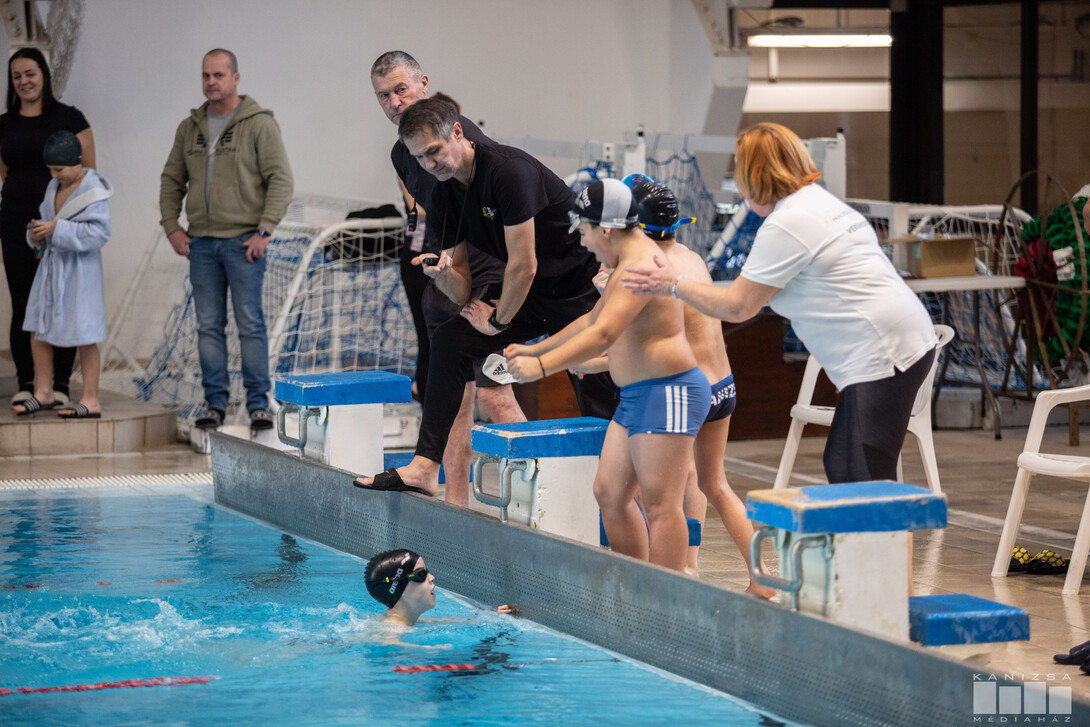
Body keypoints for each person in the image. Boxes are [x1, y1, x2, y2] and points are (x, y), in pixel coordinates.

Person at [622, 122, 938, 485]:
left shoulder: (788, 223)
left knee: (857, 470)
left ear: (754, 175)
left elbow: (739, 307)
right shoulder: (817, 201)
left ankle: (885, 524)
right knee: (848, 463)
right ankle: (876, 521)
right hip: (903, 341)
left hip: (884, 352)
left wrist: (673, 283)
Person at [355, 98, 615, 496]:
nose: (429, 164)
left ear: (458, 133)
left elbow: (524, 265)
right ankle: (425, 467)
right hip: (530, 294)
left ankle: (625, 490)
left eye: (434, 151)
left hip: (577, 289)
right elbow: (461, 286)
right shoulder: (443, 194)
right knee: (451, 340)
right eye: (419, 158)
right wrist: (443, 276)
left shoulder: (507, 171)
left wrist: (497, 321)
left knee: (596, 390)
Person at [505, 179, 709, 572]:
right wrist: (536, 349)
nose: (582, 242)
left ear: (607, 230)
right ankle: (636, 580)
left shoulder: (640, 265)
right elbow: (591, 319)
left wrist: (543, 367)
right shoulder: (626, 260)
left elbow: (603, 334)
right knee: (610, 493)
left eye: (583, 232)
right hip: (637, 394)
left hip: (668, 392)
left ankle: (664, 592)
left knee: (661, 505)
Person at [369, 51, 525, 506]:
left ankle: (548, 494)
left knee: (495, 399)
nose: (394, 102)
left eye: (401, 89)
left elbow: (492, 216)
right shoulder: (401, 152)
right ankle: (455, 504)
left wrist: (496, 295)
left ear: (423, 84)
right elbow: (431, 216)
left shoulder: (462, 134)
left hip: (488, 276)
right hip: (448, 274)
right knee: (454, 401)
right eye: (384, 95)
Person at [629, 180, 774, 596]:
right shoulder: (691, 258)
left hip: (688, 392)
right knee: (714, 483)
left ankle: (671, 575)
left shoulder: (649, 267)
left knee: (653, 492)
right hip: (723, 387)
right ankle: (760, 576)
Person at [159, 49, 293, 431]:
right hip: (201, 244)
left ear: (235, 78)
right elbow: (171, 179)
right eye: (206, 75)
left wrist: (264, 230)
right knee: (208, 327)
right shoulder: (189, 128)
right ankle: (214, 404)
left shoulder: (259, 124)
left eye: (219, 75)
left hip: (243, 243)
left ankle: (258, 405)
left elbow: (281, 180)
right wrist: (171, 225)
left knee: (250, 324)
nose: (211, 82)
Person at [0, 48, 94, 411]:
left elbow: (88, 174)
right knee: (25, 304)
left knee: (60, 302)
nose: (24, 81)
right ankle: (28, 383)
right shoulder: (4, 125)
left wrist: (65, 221)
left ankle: (59, 383)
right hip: (16, 227)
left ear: (44, 75)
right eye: (17, 76)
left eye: (30, 74)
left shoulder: (70, 118)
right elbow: (7, 174)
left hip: (61, 228)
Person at [14, 131, 112, 418]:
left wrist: (58, 229)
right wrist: (36, 233)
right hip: (51, 268)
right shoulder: (53, 186)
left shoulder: (93, 191)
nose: (54, 175)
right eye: (51, 170)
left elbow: (99, 233)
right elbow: (47, 221)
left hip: (80, 272)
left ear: (77, 162)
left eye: (59, 169)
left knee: (86, 333)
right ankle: (44, 391)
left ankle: (91, 399)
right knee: (38, 326)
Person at [365, 548, 517, 626]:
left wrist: (494, 617)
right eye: (421, 574)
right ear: (398, 589)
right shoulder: (393, 630)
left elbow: (458, 622)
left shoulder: (408, 621)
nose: (431, 577)